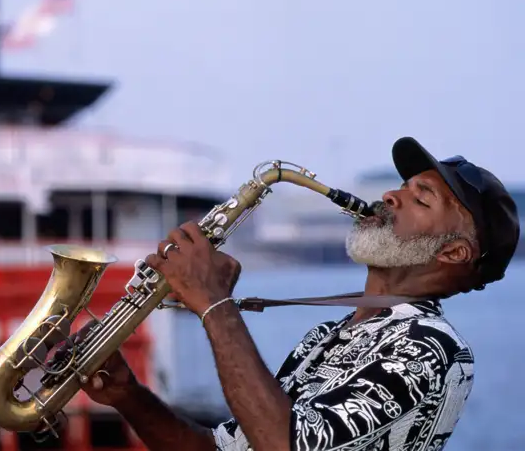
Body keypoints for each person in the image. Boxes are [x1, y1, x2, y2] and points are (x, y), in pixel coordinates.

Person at [71, 136, 520, 451]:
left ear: (455, 252)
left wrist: (214, 303)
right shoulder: (327, 335)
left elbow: (285, 445)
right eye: (401, 187)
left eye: (420, 199)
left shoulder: (432, 347)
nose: (390, 196)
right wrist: (129, 395)